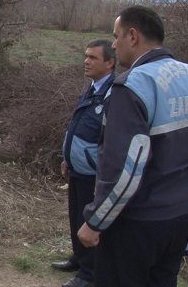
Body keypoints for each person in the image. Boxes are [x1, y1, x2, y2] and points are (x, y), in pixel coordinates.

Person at [77, 5, 188, 287]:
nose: (114, 45)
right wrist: (183, 193)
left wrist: (96, 221)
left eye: (116, 37)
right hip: (181, 217)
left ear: (133, 36)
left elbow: (125, 170)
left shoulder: (132, 86)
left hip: (137, 223)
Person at [52, 39, 116, 287]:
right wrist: (68, 159)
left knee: (91, 221)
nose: (86, 61)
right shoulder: (92, 88)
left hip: (94, 173)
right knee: (76, 217)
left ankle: (89, 274)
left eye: (93, 58)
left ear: (110, 63)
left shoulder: (113, 94)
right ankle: (79, 258)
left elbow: (109, 139)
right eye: (85, 56)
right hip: (78, 169)